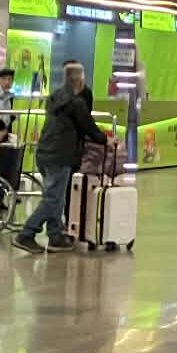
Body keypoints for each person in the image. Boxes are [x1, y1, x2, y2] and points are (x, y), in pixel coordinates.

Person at [14, 60, 108, 253]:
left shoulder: (55, 97)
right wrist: (106, 141)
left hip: (45, 152)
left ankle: (56, 235)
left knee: (56, 197)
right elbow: (89, 127)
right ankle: (26, 234)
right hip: (61, 155)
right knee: (53, 199)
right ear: (81, 80)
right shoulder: (77, 103)